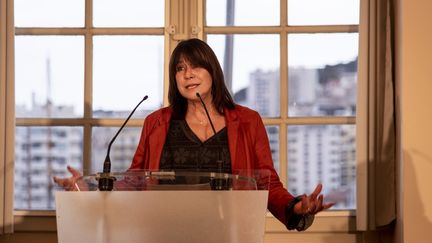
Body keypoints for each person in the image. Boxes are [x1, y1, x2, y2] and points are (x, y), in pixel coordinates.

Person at [54, 38, 334, 231]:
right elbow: (134, 182)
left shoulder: (248, 121)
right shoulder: (157, 123)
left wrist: (296, 207)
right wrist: (87, 187)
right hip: (163, 234)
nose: (188, 74)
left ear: (213, 71)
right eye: (180, 68)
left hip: (227, 235)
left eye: (195, 66)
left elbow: (267, 183)